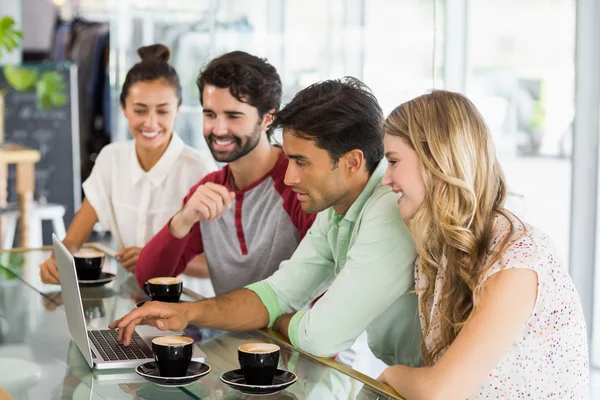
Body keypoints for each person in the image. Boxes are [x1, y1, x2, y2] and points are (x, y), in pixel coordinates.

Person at [111, 77, 421, 368]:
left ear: (352, 162)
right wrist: (186, 312)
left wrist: (278, 318)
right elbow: (276, 293)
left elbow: (319, 336)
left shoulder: (387, 208)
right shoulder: (336, 203)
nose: (290, 177)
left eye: (301, 162)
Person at [377, 90, 589, 399]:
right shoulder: (442, 253)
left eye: (394, 161)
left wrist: (391, 374)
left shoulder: (518, 257)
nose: (386, 179)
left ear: (436, 159)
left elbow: (439, 391)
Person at [134, 51, 315, 295]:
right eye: (210, 114)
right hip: (229, 331)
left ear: (267, 120)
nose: (218, 129)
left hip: (288, 334)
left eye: (233, 116)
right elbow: (148, 279)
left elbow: (324, 292)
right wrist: (184, 218)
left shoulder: (299, 185)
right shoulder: (208, 190)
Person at [39, 44, 216, 285]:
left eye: (162, 111)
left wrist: (154, 257)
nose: (150, 123)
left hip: (186, 304)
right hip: (129, 297)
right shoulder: (111, 159)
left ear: (178, 111)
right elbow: (72, 241)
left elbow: (215, 265)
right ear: (124, 109)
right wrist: (56, 263)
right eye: (140, 110)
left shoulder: (199, 169)